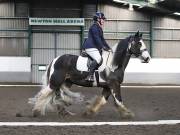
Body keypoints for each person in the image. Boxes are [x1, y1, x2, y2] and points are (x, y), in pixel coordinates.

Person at [82, 12, 111, 82]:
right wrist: (102, 47)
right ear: (98, 19)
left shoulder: (99, 28)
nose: (103, 21)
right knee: (98, 58)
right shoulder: (94, 27)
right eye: (102, 19)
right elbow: (97, 39)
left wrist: (109, 48)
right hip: (90, 47)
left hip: (94, 47)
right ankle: (90, 75)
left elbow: (102, 40)